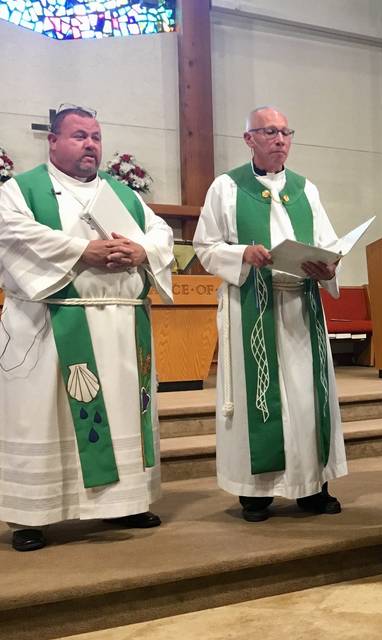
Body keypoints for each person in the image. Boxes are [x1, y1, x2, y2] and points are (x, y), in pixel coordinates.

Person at [0, 105, 174, 551]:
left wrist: (140, 251)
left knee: (120, 412)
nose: (91, 144)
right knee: (44, 418)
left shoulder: (123, 194)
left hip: (120, 326)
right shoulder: (21, 190)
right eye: (79, 136)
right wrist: (82, 251)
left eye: (96, 136)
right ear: (52, 140)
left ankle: (126, 501)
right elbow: (12, 233)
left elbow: (160, 235)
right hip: (54, 323)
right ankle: (32, 515)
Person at [194, 106, 346, 523]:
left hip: (301, 306)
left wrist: (328, 266)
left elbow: (328, 243)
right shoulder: (225, 188)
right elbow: (205, 247)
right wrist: (241, 253)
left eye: (285, 132)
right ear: (249, 139)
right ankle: (256, 493)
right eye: (270, 132)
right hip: (252, 307)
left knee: (306, 400)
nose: (280, 139)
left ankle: (312, 487)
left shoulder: (305, 189)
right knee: (259, 399)